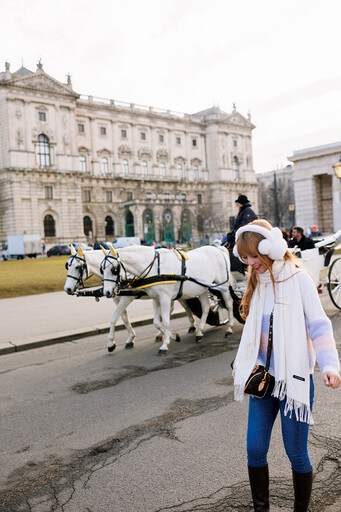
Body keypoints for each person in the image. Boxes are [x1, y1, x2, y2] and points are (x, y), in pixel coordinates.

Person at [232, 219, 340, 511]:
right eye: (244, 258)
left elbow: (319, 326)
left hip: (294, 381)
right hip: (263, 381)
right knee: (255, 449)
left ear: (271, 249)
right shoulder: (258, 282)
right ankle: (261, 508)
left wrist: (330, 366)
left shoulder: (298, 278)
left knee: (296, 453)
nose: (250, 263)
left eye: (254, 256)